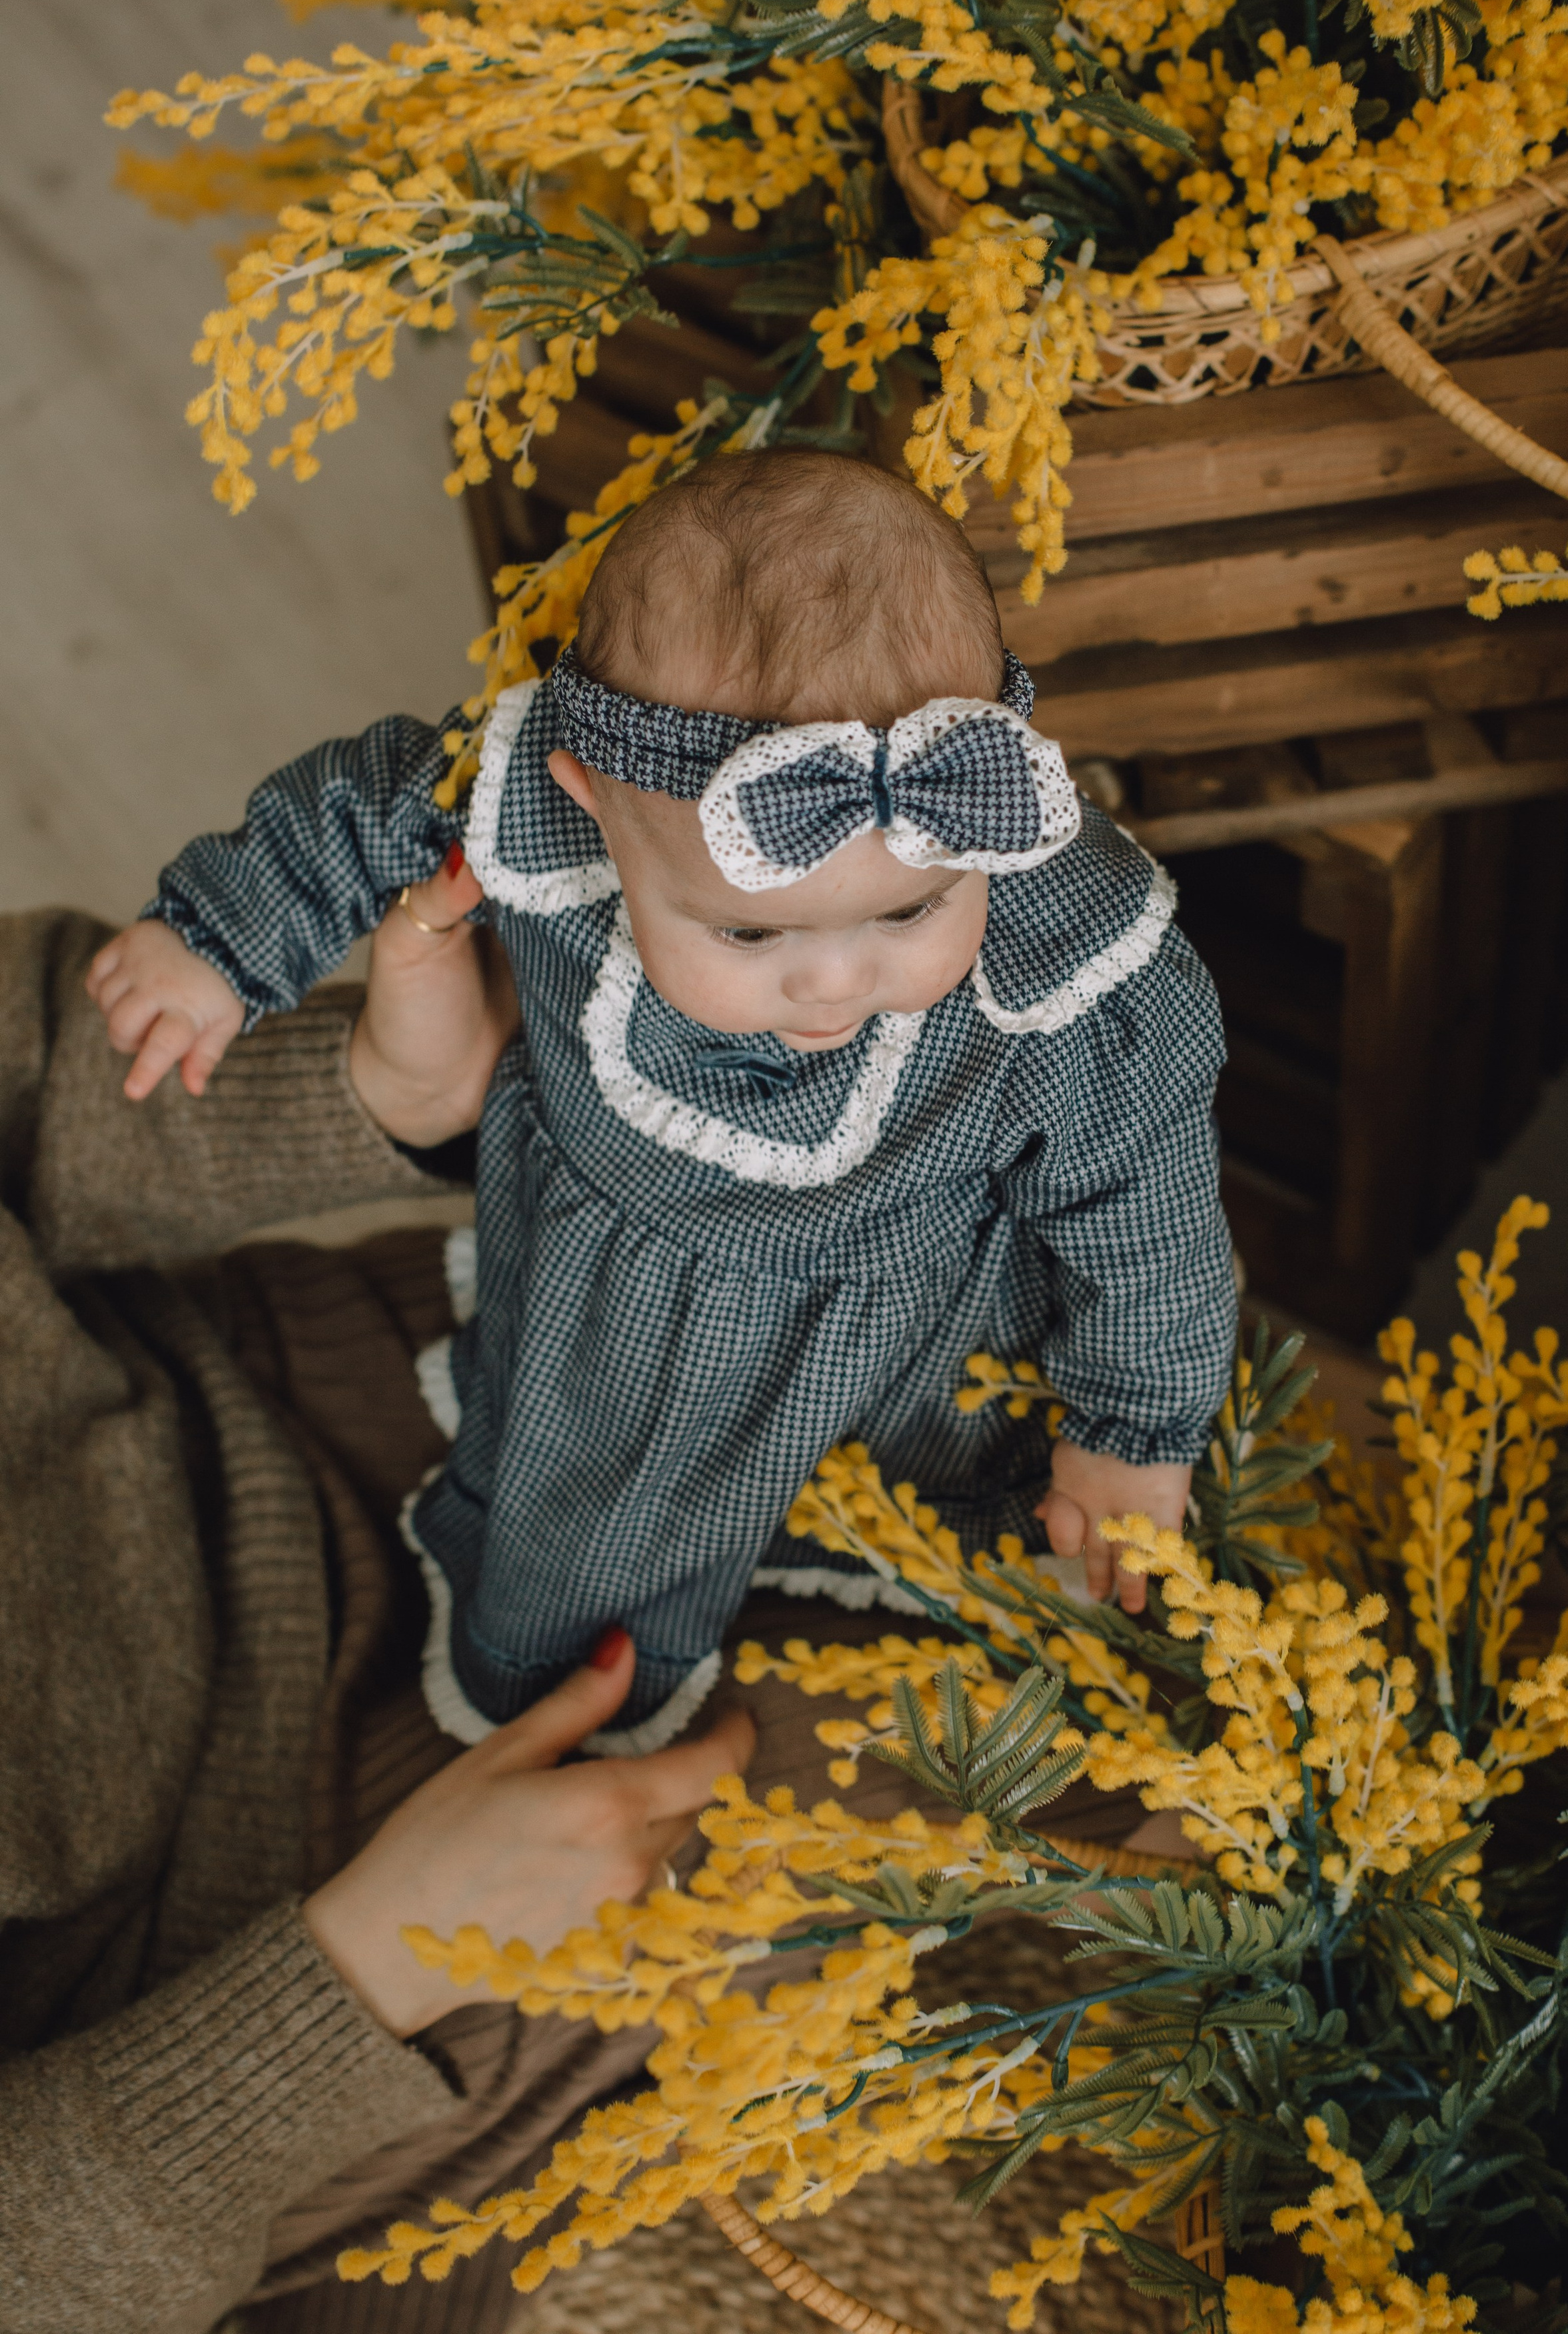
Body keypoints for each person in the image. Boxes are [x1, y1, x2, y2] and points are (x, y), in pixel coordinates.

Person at [1, 871, 1156, 2334]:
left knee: (1046, 1396)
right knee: (1064, 1733)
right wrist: (361, 1974)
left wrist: (374, 1086)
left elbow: (30, 1068)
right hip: (265, 1958)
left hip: (250, 1398)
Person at [87, 452, 1238, 1756]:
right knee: (594, 1542)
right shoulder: (552, 812)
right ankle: (578, 1683)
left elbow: (1142, 1205)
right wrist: (220, 943)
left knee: (961, 1520)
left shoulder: (1059, 965)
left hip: (917, 1323)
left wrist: (1134, 1427)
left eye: (912, 908)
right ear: (589, 801)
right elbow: (364, 806)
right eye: (748, 937)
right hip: (621, 1307)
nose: (836, 980)